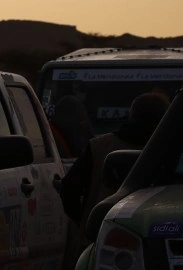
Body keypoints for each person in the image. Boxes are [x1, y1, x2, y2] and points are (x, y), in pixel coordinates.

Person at [60, 89, 171, 224]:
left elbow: (69, 189)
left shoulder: (98, 146)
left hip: (96, 235)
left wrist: (84, 221)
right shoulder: (172, 150)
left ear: (132, 115)